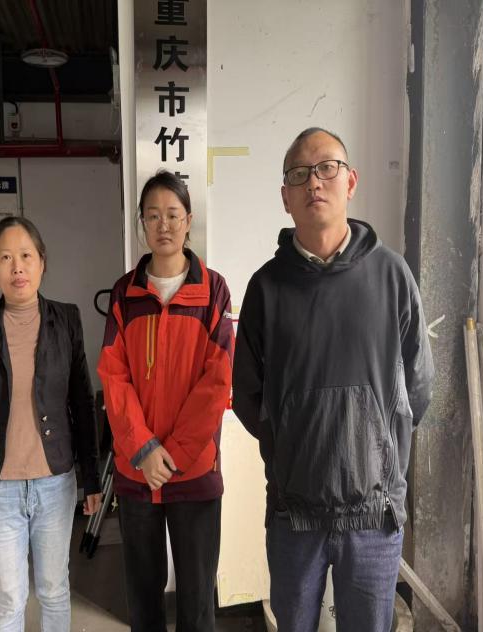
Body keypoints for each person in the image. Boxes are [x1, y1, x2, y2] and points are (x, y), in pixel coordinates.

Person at [233, 128, 434, 632]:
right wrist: (292, 444)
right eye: (299, 174)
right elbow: (247, 395)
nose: (314, 183)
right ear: (285, 197)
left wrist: (376, 445)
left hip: (373, 513)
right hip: (293, 513)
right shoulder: (266, 288)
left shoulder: (391, 276)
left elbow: (418, 386)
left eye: (327, 168)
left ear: (351, 181)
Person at [0, 216, 102, 632]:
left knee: (54, 590)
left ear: (42, 262)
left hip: (55, 483)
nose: (17, 267)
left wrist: (91, 478)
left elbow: (82, 403)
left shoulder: (66, 320)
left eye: (25, 256)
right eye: (5, 258)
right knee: (9, 599)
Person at [97, 170, 234, 632]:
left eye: (173, 214)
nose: (164, 225)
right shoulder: (125, 293)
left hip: (193, 472)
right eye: (153, 216)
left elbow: (218, 380)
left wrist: (172, 453)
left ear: (189, 220)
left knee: (197, 600)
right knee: (143, 597)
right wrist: (143, 448)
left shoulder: (213, 291)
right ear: (142, 223)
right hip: (137, 473)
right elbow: (113, 376)